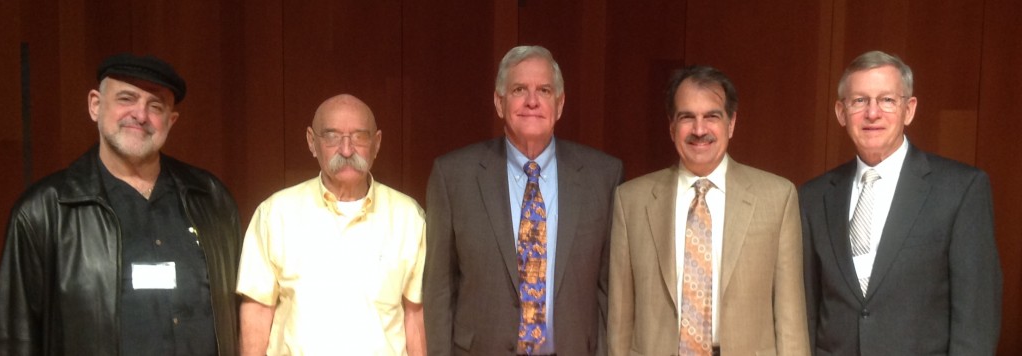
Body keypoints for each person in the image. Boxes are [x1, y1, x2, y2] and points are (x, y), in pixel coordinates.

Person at [0, 53, 242, 355]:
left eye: (156, 106)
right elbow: (15, 337)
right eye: (127, 98)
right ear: (95, 105)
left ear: (171, 121)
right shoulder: (44, 211)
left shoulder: (211, 198)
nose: (140, 115)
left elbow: (241, 314)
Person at [423, 45, 623, 356]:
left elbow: (613, 290)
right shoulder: (453, 177)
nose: (532, 101)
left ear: (559, 104)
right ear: (499, 102)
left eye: (544, 90)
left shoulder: (603, 176)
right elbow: (439, 290)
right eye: (519, 89)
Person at [800, 50, 1001, 355]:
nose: (872, 113)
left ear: (909, 109)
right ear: (841, 113)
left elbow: (976, 317)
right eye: (859, 101)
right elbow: (810, 311)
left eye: (887, 100)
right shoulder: (813, 197)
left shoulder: (960, 189)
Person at [608, 65, 810, 356]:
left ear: (731, 123)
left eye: (711, 116)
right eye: (687, 117)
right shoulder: (631, 201)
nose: (699, 130)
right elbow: (620, 318)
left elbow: (791, 317)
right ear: (671, 126)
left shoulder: (777, 198)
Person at [236, 94, 426, 355]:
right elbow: (256, 312)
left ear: (376, 143)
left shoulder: (409, 217)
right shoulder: (275, 214)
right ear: (312, 142)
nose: (346, 150)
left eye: (359, 136)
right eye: (332, 137)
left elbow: (415, 317)